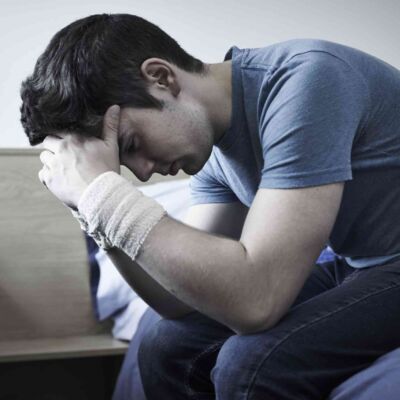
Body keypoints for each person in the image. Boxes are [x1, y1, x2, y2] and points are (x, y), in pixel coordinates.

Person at [20, 13, 400, 400]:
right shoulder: (216, 147)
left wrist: (108, 197)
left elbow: (258, 300)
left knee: (250, 362)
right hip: (363, 263)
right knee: (162, 345)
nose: (144, 173)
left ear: (161, 78)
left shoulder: (307, 81)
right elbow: (177, 300)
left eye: (132, 145)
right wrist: (92, 207)